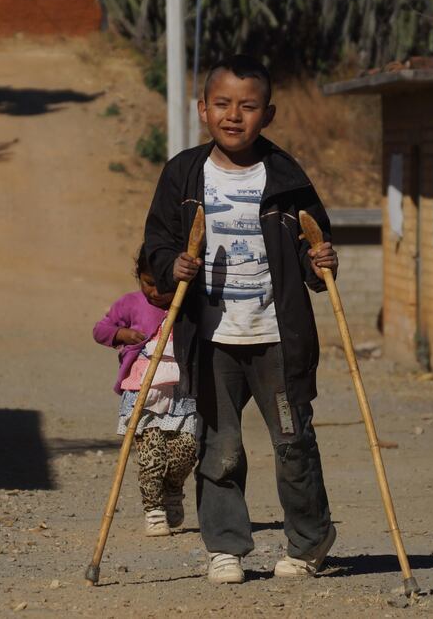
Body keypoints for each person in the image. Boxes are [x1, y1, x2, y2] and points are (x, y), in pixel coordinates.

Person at [144, 55, 339, 584]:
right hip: (212, 338)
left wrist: (322, 264)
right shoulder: (183, 173)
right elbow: (155, 245)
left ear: (267, 114)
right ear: (203, 109)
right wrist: (171, 264)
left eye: (248, 106)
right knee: (219, 444)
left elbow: (312, 244)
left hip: (277, 333)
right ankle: (225, 546)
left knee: (292, 439)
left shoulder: (287, 176)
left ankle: (309, 539)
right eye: (223, 104)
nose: (235, 115)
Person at [93, 245, 198, 537]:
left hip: (181, 392)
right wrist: (121, 335)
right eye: (148, 283)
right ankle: (153, 509)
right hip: (144, 391)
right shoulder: (130, 303)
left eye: (163, 285)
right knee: (152, 456)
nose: (155, 292)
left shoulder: (189, 304)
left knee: (185, 452)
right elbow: (100, 330)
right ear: (138, 276)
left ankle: (173, 489)